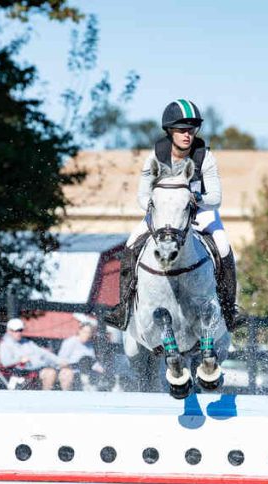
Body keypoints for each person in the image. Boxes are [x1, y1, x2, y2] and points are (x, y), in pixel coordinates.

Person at [103, 98, 240, 331]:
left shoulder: (204, 157)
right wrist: (161, 208)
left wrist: (192, 200)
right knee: (130, 244)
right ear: (170, 131)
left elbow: (216, 198)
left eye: (191, 130)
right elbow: (142, 196)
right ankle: (123, 308)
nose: (188, 135)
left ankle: (229, 310)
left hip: (201, 211)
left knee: (224, 246)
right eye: (182, 130)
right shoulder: (154, 157)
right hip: (163, 214)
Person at [0, 318, 74, 390]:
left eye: (20, 330)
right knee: (50, 373)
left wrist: (59, 361)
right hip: (20, 374)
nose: (18, 333)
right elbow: (5, 363)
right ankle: (46, 397)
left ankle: (65, 398)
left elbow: (44, 353)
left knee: (67, 373)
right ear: (8, 330)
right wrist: (20, 360)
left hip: (36, 370)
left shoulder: (26, 342)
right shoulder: (4, 344)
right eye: (16, 330)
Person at [57, 321, 106, 388]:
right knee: (67, 374)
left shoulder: (90, 345)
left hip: (86, 373)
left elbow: (93, 362)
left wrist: (101, 369)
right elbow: (60, 361)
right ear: (80, 331)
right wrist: (74, 364)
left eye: (89, 333)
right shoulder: (70, 342)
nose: (87, 335)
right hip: (71, 371)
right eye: (85, 332)